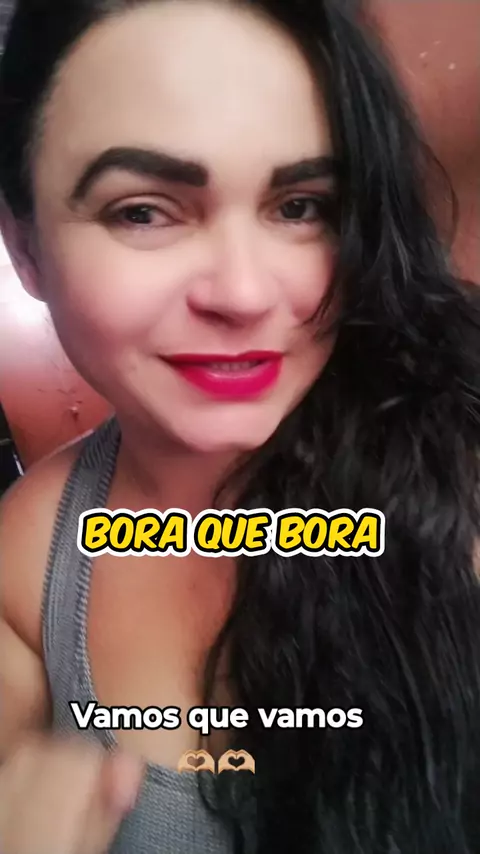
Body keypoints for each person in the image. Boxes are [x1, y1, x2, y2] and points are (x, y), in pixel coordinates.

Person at [0, 0, 479, 852]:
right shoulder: (30, 555)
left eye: (300, 206)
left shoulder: (461, 470)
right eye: (143, 211)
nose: (245, 293)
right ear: (26, 247)